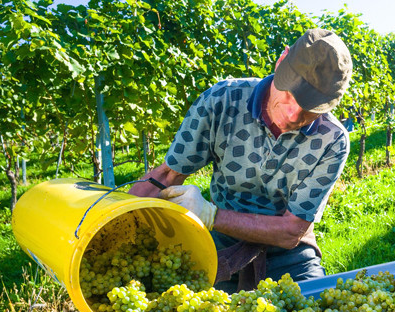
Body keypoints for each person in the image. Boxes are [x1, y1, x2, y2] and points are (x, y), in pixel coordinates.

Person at [129, 28, 352, 292]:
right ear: (282, 62)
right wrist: (114, 225)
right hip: (220, 243)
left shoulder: (332, 139)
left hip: (288, 255)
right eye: (290, 95)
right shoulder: (222, 101)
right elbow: (166, 176)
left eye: (311, 110)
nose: (293, 115)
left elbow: (292, 230)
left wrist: (210, 214)